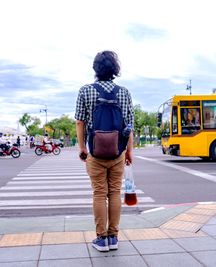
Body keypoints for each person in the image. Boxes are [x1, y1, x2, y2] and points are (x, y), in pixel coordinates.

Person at [75, 50, 134, 252]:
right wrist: (128, 151)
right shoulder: (124, 92)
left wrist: (82, 147)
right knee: (115, 193)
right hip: (117, 151)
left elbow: (80, 122)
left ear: (95, 69)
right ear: (115, 70)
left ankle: (101, 239)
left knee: (99, 193)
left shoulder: (85, 91)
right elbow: (129, 125)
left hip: (95, 152)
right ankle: (114, 237)